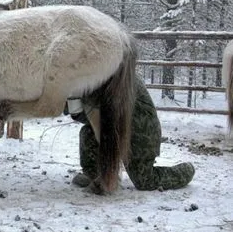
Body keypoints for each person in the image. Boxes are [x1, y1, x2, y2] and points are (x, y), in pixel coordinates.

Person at [67, 76, 195, 193]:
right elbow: (95, 117)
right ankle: (94, 174)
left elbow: (104, 114)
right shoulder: (96, 76)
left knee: (145, 181)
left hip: (140, 133)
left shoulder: (116, 77)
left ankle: (186, 171)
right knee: (88, 132)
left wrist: (74, 108)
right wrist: (72, 105)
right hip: (116, 129)